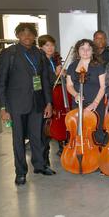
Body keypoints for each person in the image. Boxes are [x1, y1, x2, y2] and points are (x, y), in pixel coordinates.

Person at [0, 23, 55, 185]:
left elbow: (44, 80)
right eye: (23, 33)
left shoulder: (39, 54)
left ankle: (40, 165)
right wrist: (3, 107)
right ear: (17, 35)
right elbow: (1, 82)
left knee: (37, 137)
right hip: (16, 105)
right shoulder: (10, 53)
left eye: (30, 33)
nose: (27, 36)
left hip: (37, 103)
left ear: (35, 36)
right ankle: (20, 172)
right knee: (18, 140)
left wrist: (48, 103)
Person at [66, 39, 107, 145]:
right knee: (79, 132)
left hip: (95, 104)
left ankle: (96, 158)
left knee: (96, 133)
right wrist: (75, 94)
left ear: (92, 51)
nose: (85, 51)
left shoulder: (98, 66)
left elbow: (103, 87)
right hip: (78, 104)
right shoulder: (72, 66)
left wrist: (95, 103)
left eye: (88, 49)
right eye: (82, 49)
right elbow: (69, 85)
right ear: (77, 51)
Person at [38, 34, 64, 166]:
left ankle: (47, 158)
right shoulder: (41, 61)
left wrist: (62, 76)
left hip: (53, 98)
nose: (50, 48)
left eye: (52, 45)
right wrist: (56, 75)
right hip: (43, 100)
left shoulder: (52, 61)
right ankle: (43, 161)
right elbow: (44, 82)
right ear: (41, 47)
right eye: (47, 45)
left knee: (47, 130)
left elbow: (56, 82)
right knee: (43, 131)